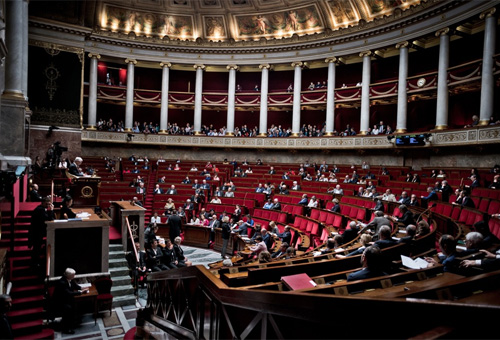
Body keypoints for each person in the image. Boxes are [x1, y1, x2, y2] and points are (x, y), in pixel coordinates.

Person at [53, 268, 89, 334]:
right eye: (73, 275)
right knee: (68, 309)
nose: (74, 276)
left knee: (76, 305)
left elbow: (75, 286)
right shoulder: (62, 282)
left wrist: (82, 288)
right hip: (60, 302)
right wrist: (81, 292)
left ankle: (73, 321)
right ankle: (66, 328)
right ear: (68, 275)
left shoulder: (69, 279)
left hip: (66, 299)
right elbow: (69, 293)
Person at [29, 197, 55, 270]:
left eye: (49, 204)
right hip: (36, 232)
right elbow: (50, 219)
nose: (48, 205)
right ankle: (34, 263)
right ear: (43, 202)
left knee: (37, 248)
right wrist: (51, 211)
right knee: (36, 248)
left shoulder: (40, 208)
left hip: (37, 232)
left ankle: (35, 262)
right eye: (47, 204)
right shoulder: (40, 210)